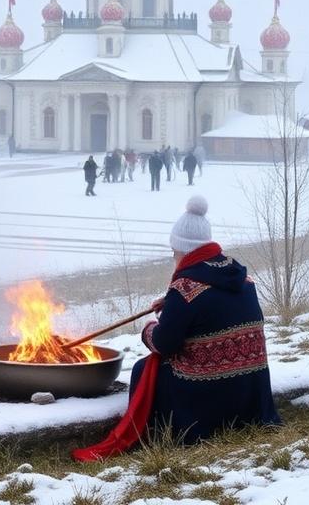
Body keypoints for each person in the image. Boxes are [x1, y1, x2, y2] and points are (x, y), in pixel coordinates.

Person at [73, 196, 280, 461]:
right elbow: (212, 313)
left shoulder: (185, 289)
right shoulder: (241, 279)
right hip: (249, 388)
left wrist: (148, 328)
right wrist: (171, 307)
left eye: (174, 251)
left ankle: (168, 432)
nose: (174, 257)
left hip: (213, 391)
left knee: (144, 368)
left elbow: (165, 343)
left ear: (184, 251)